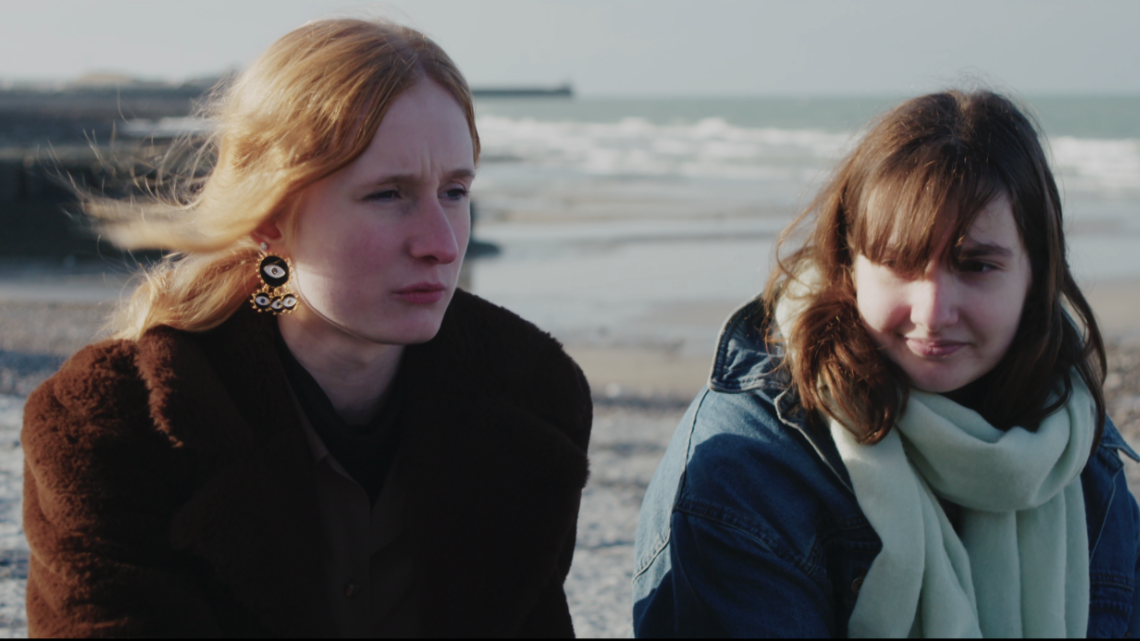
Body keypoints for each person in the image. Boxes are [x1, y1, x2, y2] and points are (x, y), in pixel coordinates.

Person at [23, 19, 592, 637]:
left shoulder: (532, 402)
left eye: (455, 190)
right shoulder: (116, 425)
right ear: (270, 218)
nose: (442, 243)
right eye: (388, 194)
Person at [632, 90, 1140, 637]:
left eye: (976, 266)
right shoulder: (751, 467)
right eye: (899, 263)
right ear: (849, 266)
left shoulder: (1073, 451)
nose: (934, 311)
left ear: (1037, 274)